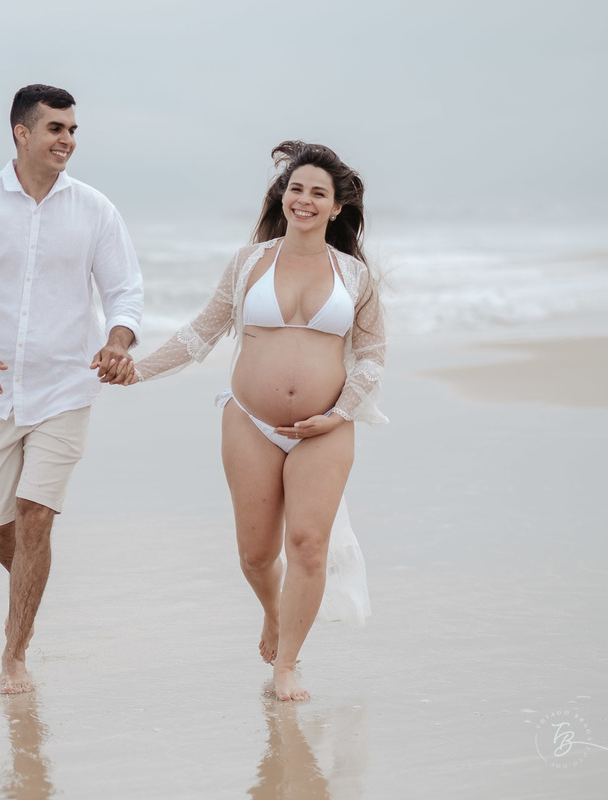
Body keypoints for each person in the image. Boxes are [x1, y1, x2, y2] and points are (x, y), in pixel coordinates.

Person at [122, 141, 386, 701]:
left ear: (337, 207)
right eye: (296, 189)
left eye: (318, 193)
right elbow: (202, 332)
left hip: (326, 427)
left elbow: (371, 356)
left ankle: (285, 665)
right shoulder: (249, 263)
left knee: (307, 544)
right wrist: (137, 372)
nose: (304, 200)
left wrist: (338, 414)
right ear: (282, 196)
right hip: (250, 421)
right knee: (256, 555)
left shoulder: (355, 275)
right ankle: (273, 611)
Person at [0, 84, 143, 694]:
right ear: (22, 133)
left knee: (35, 519)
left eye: (72, 130)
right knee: (2, 532)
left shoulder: (95, 209)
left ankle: (14, 654)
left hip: (67, 387)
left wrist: (118, 342)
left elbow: (124, 291)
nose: (67, 140)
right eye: (55, 129)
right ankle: (32, 579)